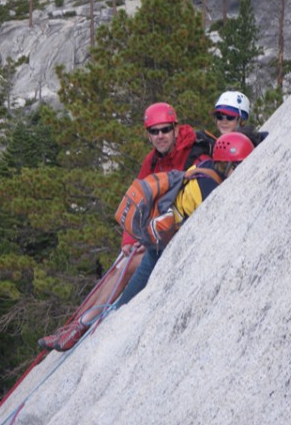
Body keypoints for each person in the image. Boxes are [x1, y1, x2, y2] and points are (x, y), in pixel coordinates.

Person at [38, 102, 212, 352]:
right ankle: (75, 324)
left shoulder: (194, 154)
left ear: (175, 128)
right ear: (148, 133)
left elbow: (194, 196)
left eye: (165, 130)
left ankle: (82, 326)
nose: (160, 136)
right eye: (154, 131)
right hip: (158, 231)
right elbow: (136, 203)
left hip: (178, 230)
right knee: (120, 264)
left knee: (129, 266)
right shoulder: (152, 161)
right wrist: (129, 244)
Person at [115, 131, 255, 307]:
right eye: (239, 165)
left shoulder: (206, 166)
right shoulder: (209, 187)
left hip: (163, 232)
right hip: (165, 241)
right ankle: (114, 311)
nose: (244, 170)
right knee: (131, 292)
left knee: (132, 289)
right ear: (226, 164)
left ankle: (114, 310)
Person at [198, 90, 268, 147]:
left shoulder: (245, 143)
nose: (224, 121)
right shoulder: (220, 143)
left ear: (242, 120)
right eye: (219, 117)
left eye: (230, 117)